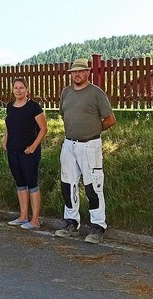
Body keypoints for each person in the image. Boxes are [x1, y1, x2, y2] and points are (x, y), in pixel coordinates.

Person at [55, 58, 116, 244]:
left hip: (90, 145)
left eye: (81, 72)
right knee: (68, 183)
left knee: (93, 186)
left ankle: (97, 227)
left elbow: (110, 119)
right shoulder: (66, 92)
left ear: (88, 73)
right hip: (69, 144)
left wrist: (94, 131)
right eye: (74, 72)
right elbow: (64, 114)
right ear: (71, 74)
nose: (77, 75)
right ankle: (71, 223)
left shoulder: (96, 93)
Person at [3, 77, 47, 230]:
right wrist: (5, 141)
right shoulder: (10, 106)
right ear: (12, 89)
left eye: (21, 87)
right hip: (13, 151)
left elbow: (43, 129)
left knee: (32, 183)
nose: (18, 90)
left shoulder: (34, 107)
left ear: (27, 89)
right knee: (20, 183)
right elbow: (9, 127)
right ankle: (23, 216)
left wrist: (34, 146)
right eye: (16, 87)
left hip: (29, 152)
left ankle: (35, 219)